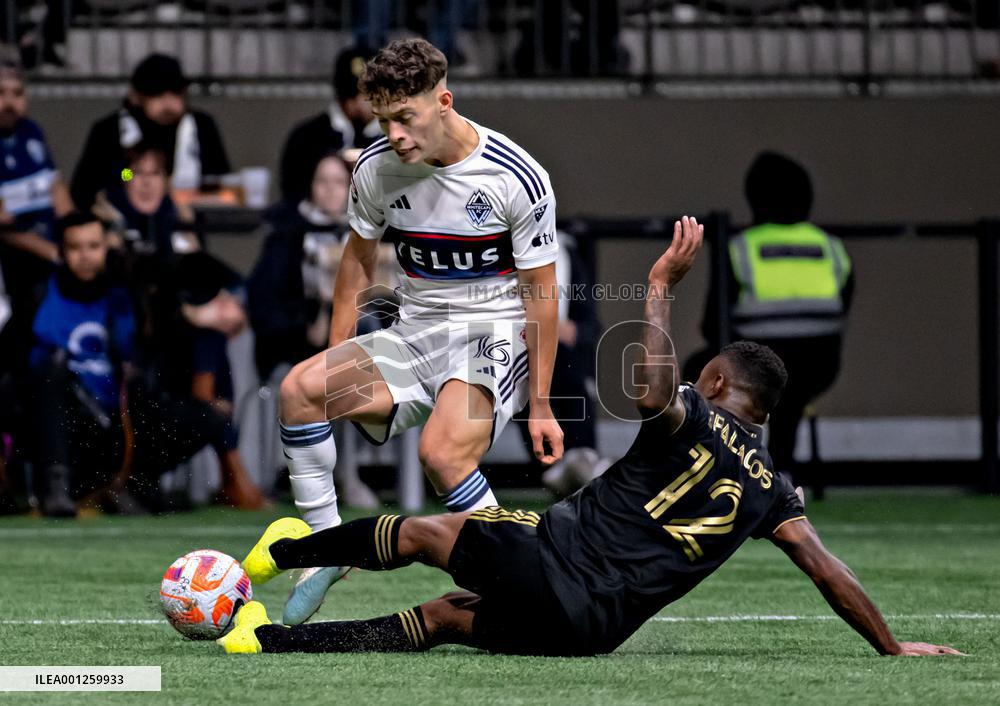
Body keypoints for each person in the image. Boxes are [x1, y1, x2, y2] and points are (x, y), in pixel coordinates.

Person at [219, 217, 960, 659]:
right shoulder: (774, 489)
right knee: (444, 618)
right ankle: (274, 641)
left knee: (421, 533)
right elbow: (827, 570)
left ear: (715, 387)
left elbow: (646, 391)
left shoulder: (695, 416)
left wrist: (660, 290)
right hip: (592, 631)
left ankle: (282, 553)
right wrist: (890, 646)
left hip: (553, 560)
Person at [273, 37, 563, 626]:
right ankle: (328, 547)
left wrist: (542, 404)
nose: (395, 133)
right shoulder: (377, 168)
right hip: (415, 333)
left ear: (443, 101)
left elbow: (542, 294)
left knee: (441, 454)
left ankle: (511, 584)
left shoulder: (516, 176)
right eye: (384, 119)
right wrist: (338, 358)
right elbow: (355, 263)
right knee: (300, 391)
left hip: (493, 332)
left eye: (406, 117)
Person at [687, 151, 853, 484]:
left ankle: (708, 469)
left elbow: (712, 324)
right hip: (820, 367)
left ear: (754, 197)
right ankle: (781, 473)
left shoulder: (741, 248)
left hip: (758, 367)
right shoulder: (831, 247)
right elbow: (842, 311)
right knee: (788, 391)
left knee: (698, 369)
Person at [70, 53, 231, 210]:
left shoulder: (200, 126)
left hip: (188, 223)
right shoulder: (111, 129)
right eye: (157, 93)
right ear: (136, 96)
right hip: (125, 222)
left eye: (175, 92)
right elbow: (89, 186)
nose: (168, 102)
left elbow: (221, 180)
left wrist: (176, 190)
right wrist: (133, 176)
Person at [0, 59, 74, 368]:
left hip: (53, 243)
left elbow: (57, 189)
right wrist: (56, 253)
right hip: (17, 254)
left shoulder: (32, 132)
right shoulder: (109, 128)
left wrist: (74, 234)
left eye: (18, 93)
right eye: (1, 93)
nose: (10, 102)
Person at [278, 48, 381, 204]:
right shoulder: (307, 137)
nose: (368, 100)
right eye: (360, 94)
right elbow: (293, 196)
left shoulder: (393, 135)